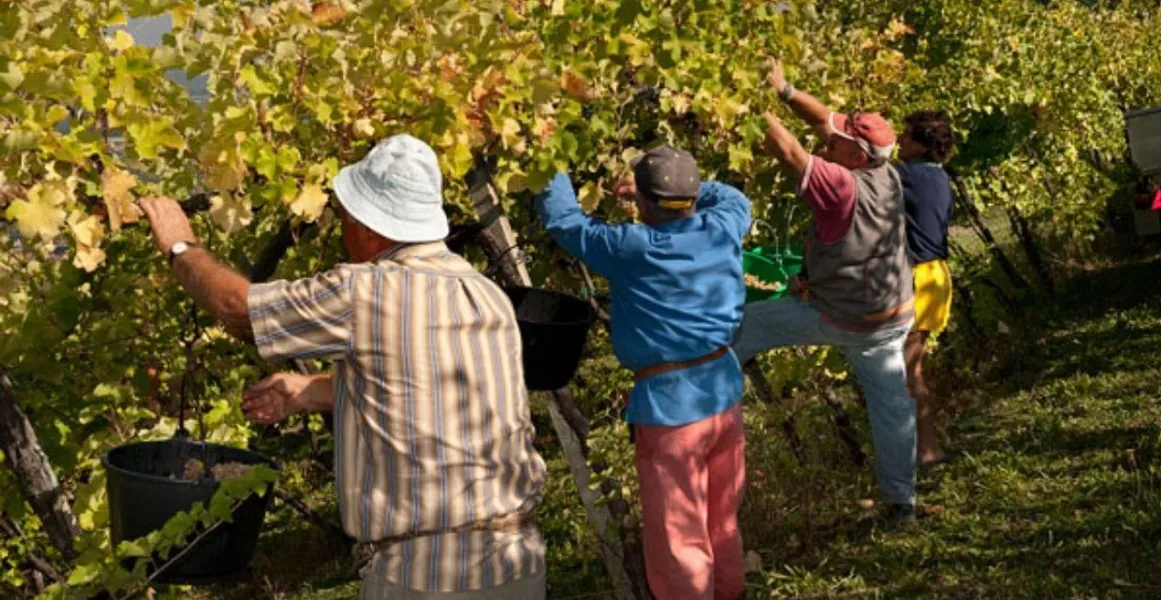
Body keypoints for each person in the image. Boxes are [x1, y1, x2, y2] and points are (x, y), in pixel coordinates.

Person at [139, 134, 548, 599]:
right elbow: (422, 386)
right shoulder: (485, 294)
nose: (342, 228)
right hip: (517, 565)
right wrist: (309, 390)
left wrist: (179, 245)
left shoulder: (365, 292)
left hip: (428, 578)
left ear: (372, 227)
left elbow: (237, 308)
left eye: (347, 217)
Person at [534, 147, 750, 600]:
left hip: (672, 409)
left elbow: (564, 221)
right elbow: (731, 196)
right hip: (725, 392)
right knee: (721, 518)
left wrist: (546, 154)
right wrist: (682, 188)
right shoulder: (725, 225)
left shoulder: (633, 248)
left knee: (679, 536)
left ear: (645, 203)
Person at [733, 60, 919, 524]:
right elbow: (822, 121)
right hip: (894, 314)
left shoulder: (839, 185)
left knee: (737, 330)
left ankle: (702, 414)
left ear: (856, 154)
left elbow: (792, 151)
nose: (827, 139)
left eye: (837, 140)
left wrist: (740, 102)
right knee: (892, 409)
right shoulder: (887, 172)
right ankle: (902, 502)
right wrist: (784, 89)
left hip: (846, 318)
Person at [895, 110, 957, 469]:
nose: (899, 142)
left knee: (909, 371)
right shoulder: (936, 176)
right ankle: (925, 450)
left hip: (919, 279)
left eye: (906, 137)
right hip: (934, 278)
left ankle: (926, 453)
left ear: (921, 146)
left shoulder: (909, 176)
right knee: (913, 367)